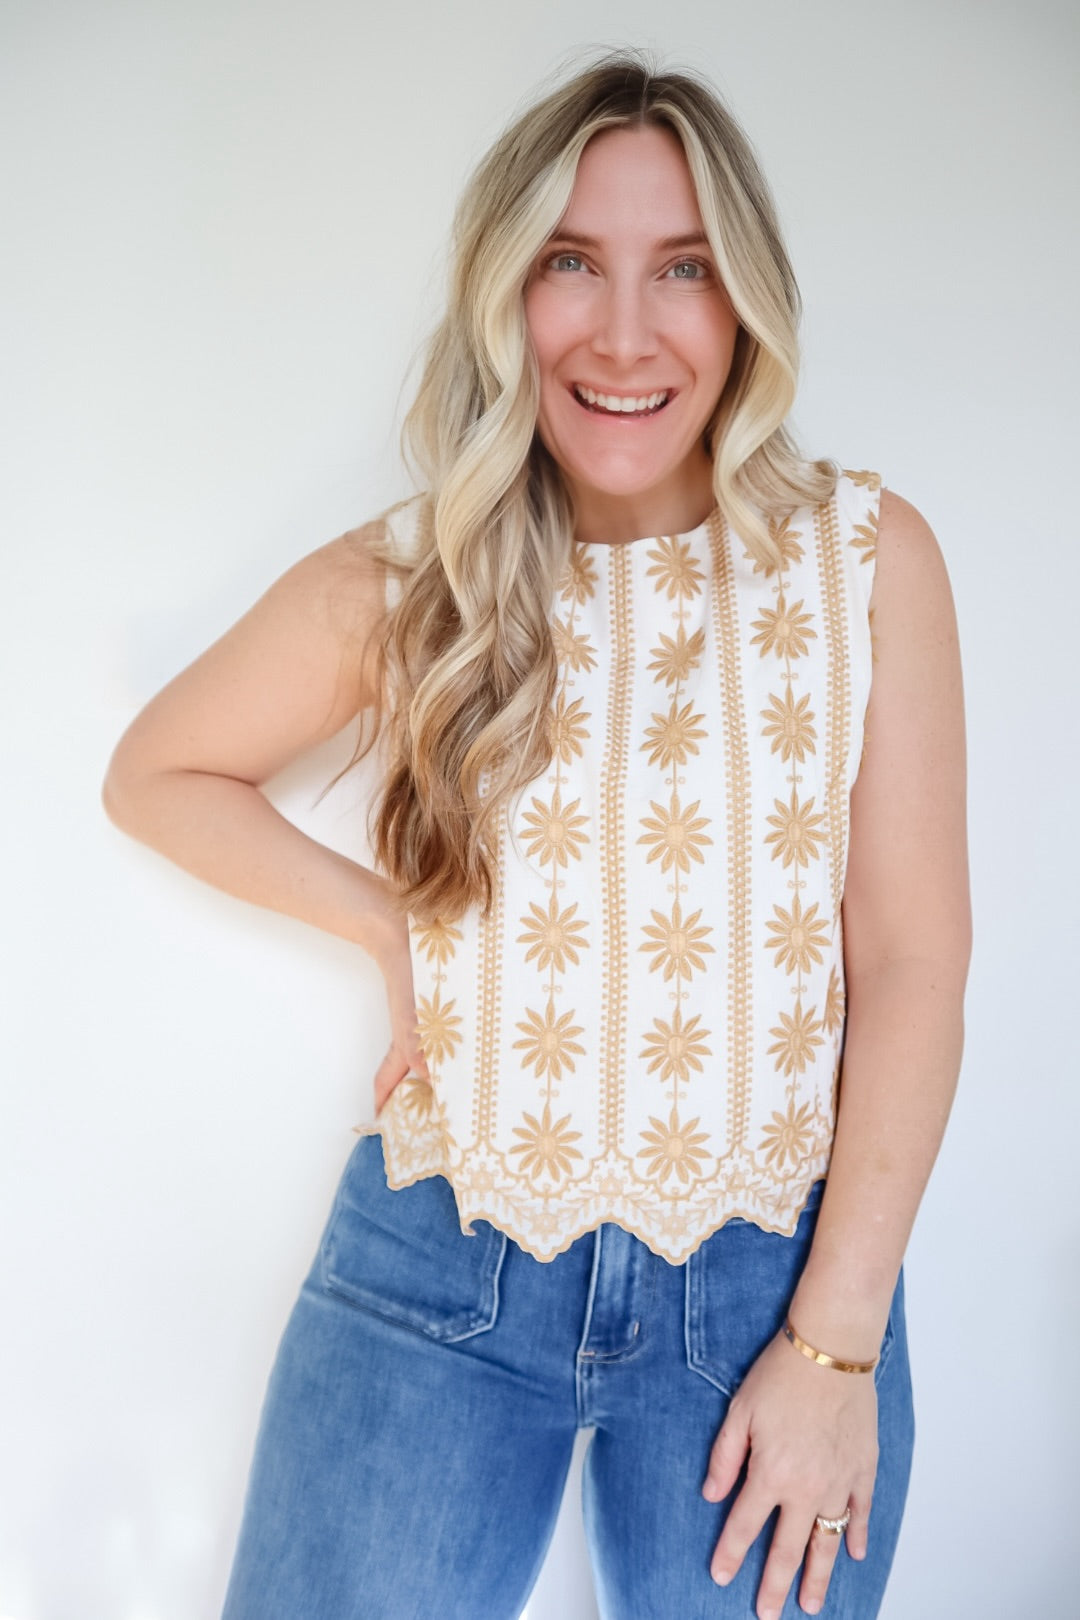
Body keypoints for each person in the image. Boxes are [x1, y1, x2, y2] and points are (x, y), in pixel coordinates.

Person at [103, 52, 970, 1620]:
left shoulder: (863, 562)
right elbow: (158, 771)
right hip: (442, 1255)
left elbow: (913, 961)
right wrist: (391, 927)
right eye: (572, 262)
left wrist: (836, 1342)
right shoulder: (411, 579)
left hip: (776, 1287)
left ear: (745, 301)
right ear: (507, 294)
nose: (624, 331)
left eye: (681, 268)